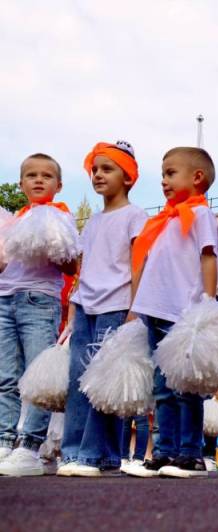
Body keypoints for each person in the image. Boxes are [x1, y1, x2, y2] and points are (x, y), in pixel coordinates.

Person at [124, 147, 218, 479]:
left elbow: (209, 256)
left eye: (170, 173)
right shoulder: (164, 220)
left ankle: (191, 453)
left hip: (182, 312)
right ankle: (164, 451)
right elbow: (148, 266)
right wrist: (137, 309)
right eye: (163, 174)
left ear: (197, 178)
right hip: (155, 312)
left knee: (185, 387)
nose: (163, 180)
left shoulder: (201, 215)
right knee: (162, 388)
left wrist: (207, 301)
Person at [56, 141, 148, 478]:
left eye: (107, 169)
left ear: (128, 177)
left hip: (117, 305)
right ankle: (77, 453)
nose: (98, 175)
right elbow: (83, 268)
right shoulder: (92, 222)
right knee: (78, 380)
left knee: (103, 382)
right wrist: (71, 306)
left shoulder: (136, 216)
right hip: (85, 306)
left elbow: (139, 265)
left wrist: (136, 309)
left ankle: (90, 455)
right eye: (95, 169)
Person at [0, 154, 78, 477]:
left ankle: (30, 446)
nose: (38, 180)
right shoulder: (14, 219)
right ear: (20, 184)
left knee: (37, 378)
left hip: (39, 301)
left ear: (58, 185)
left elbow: (72, 266)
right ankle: (5, 439)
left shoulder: (61, 217)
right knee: (6, 377)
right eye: (31, 175)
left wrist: (50, 246)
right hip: (5, 299)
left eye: (46, 176)